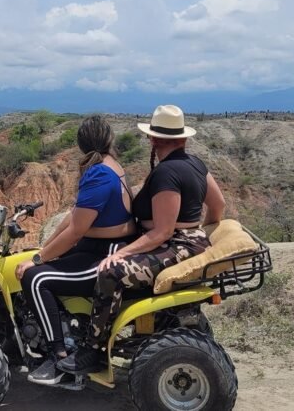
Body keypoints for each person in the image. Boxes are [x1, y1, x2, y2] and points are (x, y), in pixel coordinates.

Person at [57, 104, 227, 374]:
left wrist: (120, 255)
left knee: (111, 272)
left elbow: (162, 232)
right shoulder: (196, 164)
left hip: (176, 244)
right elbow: (218, 206)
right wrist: (200, 233)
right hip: (189, 240)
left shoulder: (166, 174)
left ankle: (94, 350)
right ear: (182, 138)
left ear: (153, 139)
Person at [14, 115, 137, 386]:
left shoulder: (98, 173)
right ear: (109, 139)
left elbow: (76, 230)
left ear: (81, 144)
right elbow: (73, 218)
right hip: (104, 247)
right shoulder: (112, 166)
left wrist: (37, 259)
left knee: (34, 279)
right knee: (47, 266)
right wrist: (46, 250)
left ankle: (59, 356)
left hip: (105, 254)